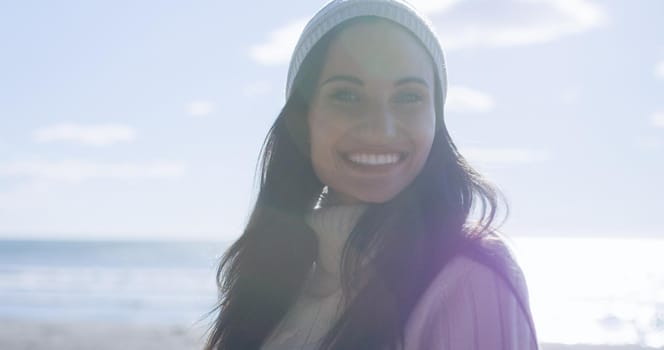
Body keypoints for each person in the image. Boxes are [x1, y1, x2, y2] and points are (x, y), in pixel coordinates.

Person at [205, 0, 539, 349]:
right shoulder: (275, 283)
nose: (381, 128)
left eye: (408, 96)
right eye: (347, 95)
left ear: (435, 120)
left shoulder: (470, 276)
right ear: (303, 120)